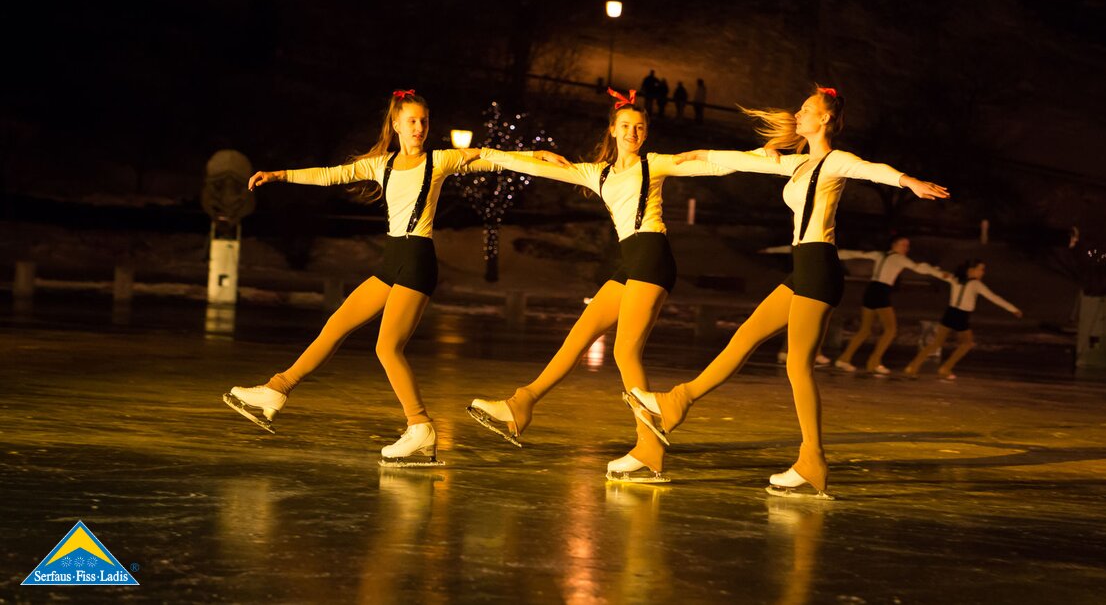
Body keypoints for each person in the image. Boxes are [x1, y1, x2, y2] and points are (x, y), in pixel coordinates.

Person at [624, 85, 949, 498]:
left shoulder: (836, 161)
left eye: (806, 109)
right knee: (744, 337)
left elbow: (873, 169)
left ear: (825, 119)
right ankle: (676, 403)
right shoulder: (797, 164)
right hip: (803, 268)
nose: (798, 114)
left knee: (798, 367)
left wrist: (909, 182)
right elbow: (743, 162)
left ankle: (812, 460)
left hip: (819, 268)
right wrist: (698, 155)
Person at [221, 90, 567, 468]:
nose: (419, 128)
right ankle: (277, 390)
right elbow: (331, 175)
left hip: (417, 260)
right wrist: (279, 175)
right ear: (397, 124)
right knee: (336, 325)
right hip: (392, 261)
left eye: (424, 121)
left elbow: (489, 158)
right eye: (412, 121)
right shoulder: (380, 165)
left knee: (387, 348)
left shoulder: (440, 160)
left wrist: (536, 156)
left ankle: (420, 426)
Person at [466, 89, 732, 483]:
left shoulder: (654, 165)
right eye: (626, 126)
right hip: (629, 260)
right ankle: (521, 404)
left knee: (625, 352)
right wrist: (487, 154)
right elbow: (542, 170)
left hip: (653, 256)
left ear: (646, 133)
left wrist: (768, 160)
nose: (633, 132)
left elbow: (707, 165)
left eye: (640, 127)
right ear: (612, 129)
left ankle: (649, 450)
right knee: (579, 336)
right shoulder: (598, 172)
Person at [833, 237, 948, 375]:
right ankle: (874, 362)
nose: (906, 248)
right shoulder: (899, 258)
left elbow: (854, 253)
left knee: (865, 330)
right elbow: (919, 268)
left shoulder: (880, 254)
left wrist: (831, 252)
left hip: (871, 290)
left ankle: (844, 359)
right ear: (894, 245)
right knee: (890, 329)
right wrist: (940, 273)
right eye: (903, 245)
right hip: (881, 292)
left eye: (907, 245)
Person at [902, 260, 1022, 380]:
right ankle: (945, 368)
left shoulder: (955, 278)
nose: (983, 272)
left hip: (950, 313)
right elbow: (994, 298)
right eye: (980, 269)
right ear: (971, 270)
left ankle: (912, 367)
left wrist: (925, 267)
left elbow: (937, 273)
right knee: (967, 343)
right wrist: (1013, 309)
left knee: (936, 344)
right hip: (961, 316)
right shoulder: (976, 284)